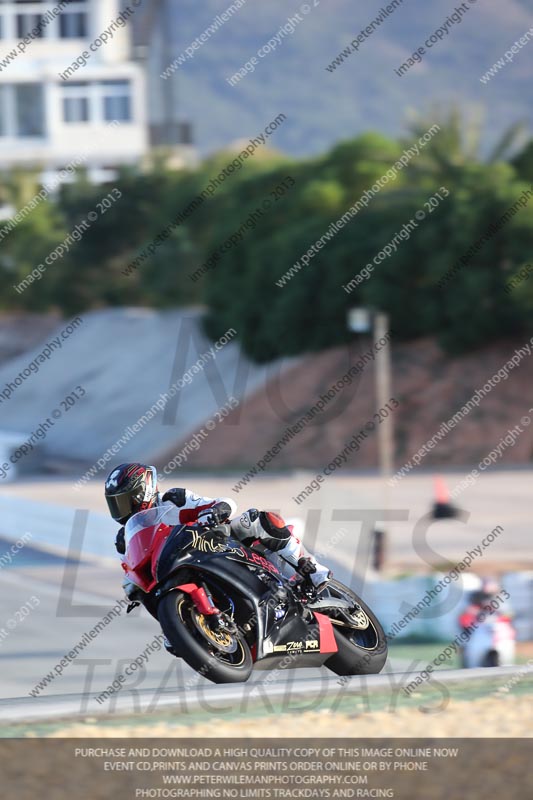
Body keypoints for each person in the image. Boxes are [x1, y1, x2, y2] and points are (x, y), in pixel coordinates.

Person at [104, 463, 331, 592]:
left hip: (216, 543)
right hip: (178, 569)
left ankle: (313, 569)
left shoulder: (173, 499)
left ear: (141, 492)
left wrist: (215, 513)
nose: (121, 509)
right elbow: (132, 571)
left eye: (125, 501)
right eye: (115, 504)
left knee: (254, 520)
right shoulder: (125, 538)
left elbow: (223, 503)